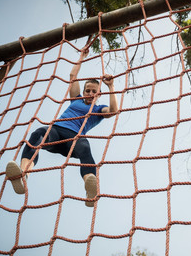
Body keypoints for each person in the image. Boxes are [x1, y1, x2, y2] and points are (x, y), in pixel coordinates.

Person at [6, 49, 118, 207]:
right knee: (38, 134)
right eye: (88, 90)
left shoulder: (99, 110)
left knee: (85, 147)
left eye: (94, 91)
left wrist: (111, 86)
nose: (90, 93)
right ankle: (24, 175)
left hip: (74, 140)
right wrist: (82, 57)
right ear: (83, 92)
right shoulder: (76, 99)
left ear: (99, 94)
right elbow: (73, 76)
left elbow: (113, 111)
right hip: (56, 132)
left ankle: (90, 190)